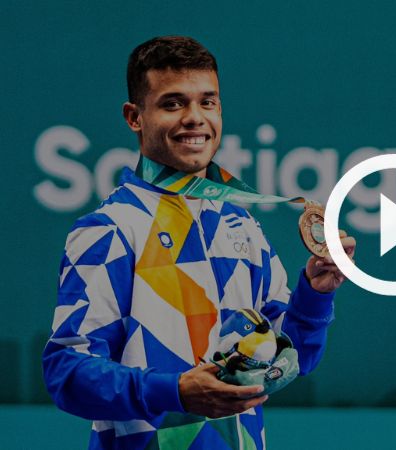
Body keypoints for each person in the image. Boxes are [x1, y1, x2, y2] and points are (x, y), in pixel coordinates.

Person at [42, 35, 356, 449]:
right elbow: (67, 371)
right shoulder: (111, 228)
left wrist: (315, 294)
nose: (195, 118)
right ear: (135, 117)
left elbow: (289, 359)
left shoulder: (242, 226)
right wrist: (175, 392)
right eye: (173, 104)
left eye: (207, 102)